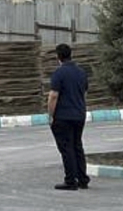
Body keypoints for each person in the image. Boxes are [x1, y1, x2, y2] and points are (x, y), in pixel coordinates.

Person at [48, 43, 89, 191]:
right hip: (79, 114)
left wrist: (51, 115)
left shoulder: (59, 73)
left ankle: (70, 180)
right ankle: (83, 179)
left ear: (58, 57)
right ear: (71, 55)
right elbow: (84, 93)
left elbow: (53, 96)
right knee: (77, 146)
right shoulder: (81, 72)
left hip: (63, 116)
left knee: (66, 148)